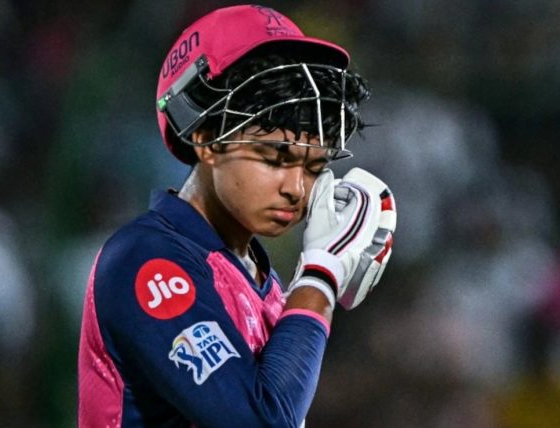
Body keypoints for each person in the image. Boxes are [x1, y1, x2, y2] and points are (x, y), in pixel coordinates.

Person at [77, 4, 396, 427]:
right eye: (275, 158)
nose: (296, 188)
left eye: (314, 166)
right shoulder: (145, 260)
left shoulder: (262, 282)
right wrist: (321, 274)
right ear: (207, 140)